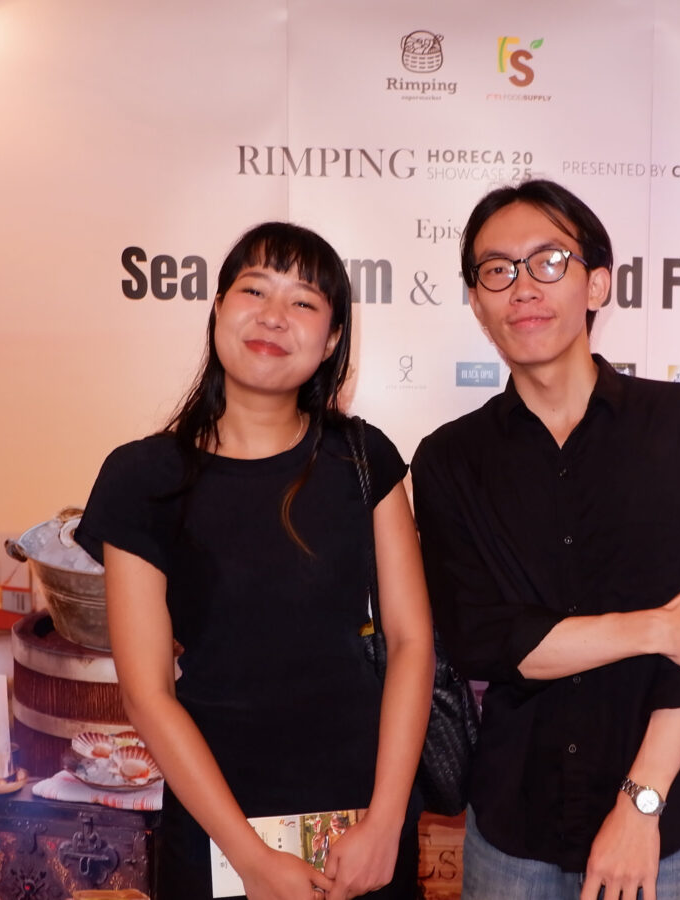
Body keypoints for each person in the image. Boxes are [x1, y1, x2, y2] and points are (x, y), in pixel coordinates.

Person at [75, 222, 434, 900]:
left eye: (303, 301)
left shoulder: (363, 458)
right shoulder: (142, 478)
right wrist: (249, 857)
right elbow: (147, 694)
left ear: (332, 338)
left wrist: (387, 822)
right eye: (254, 290)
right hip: (217, 827)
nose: (273, 315)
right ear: (217, 308)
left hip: (362, 823)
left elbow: (412, 640)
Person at [410, 180, 680, 900]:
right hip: (514, 833)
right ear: (477, 302)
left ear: (596, 283)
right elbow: (486, 642)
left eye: (549, 261)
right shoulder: (448, 460)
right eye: (497, 270)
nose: (522, 287)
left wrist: (640, 806)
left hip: (665, 830)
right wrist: (658, 627)